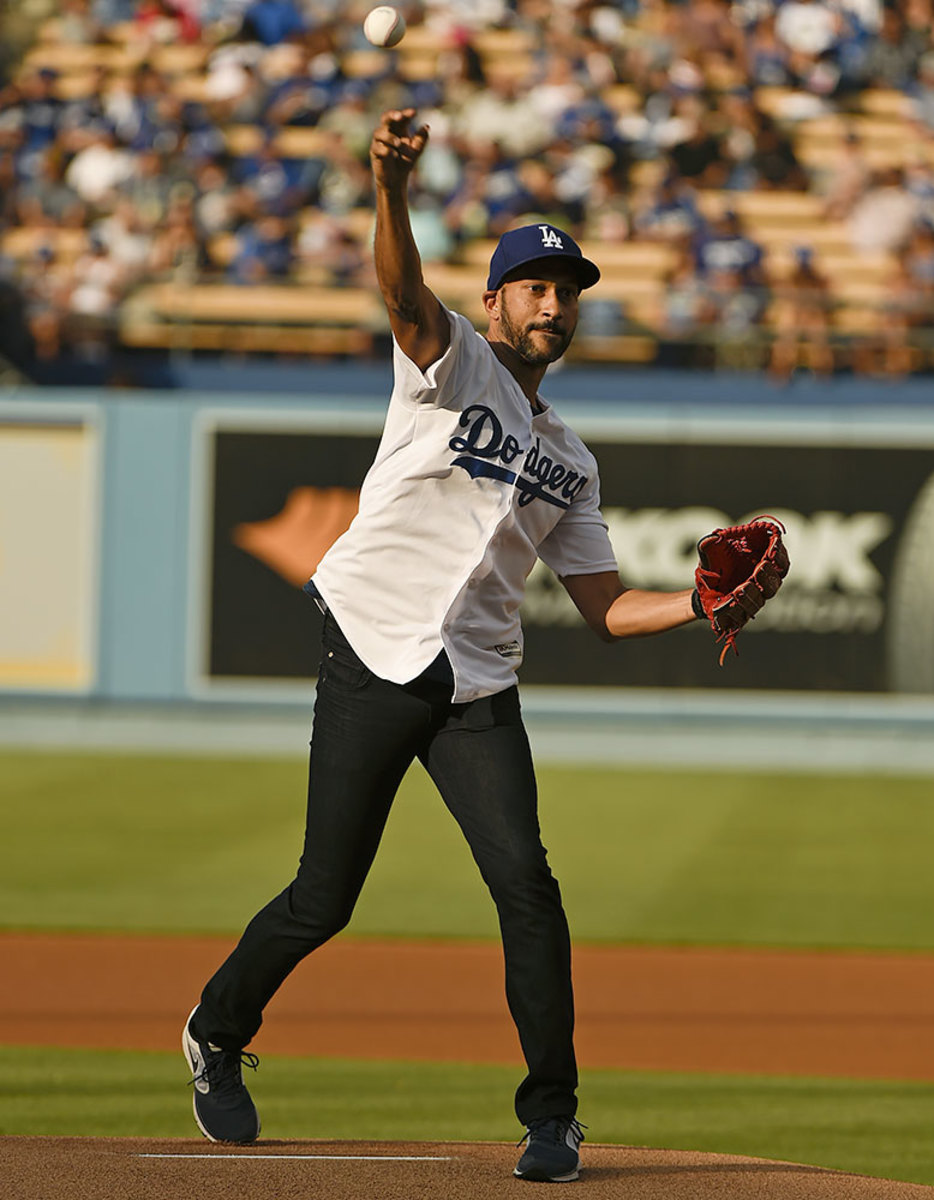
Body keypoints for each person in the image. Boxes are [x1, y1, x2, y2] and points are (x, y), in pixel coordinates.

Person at [180, 109, 716, 1184]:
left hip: (475, 682)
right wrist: (389, 187)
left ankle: (552, 1118)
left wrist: (703, 601)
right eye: (533, 285)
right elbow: (398, 294)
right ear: (496, 300)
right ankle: (215, 1033)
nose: (551, 304)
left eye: (566, 291)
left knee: (528, 888)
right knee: (324, 898)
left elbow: (607, 608)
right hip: (372, 652)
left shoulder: (572, 460)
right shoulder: (448, 363)